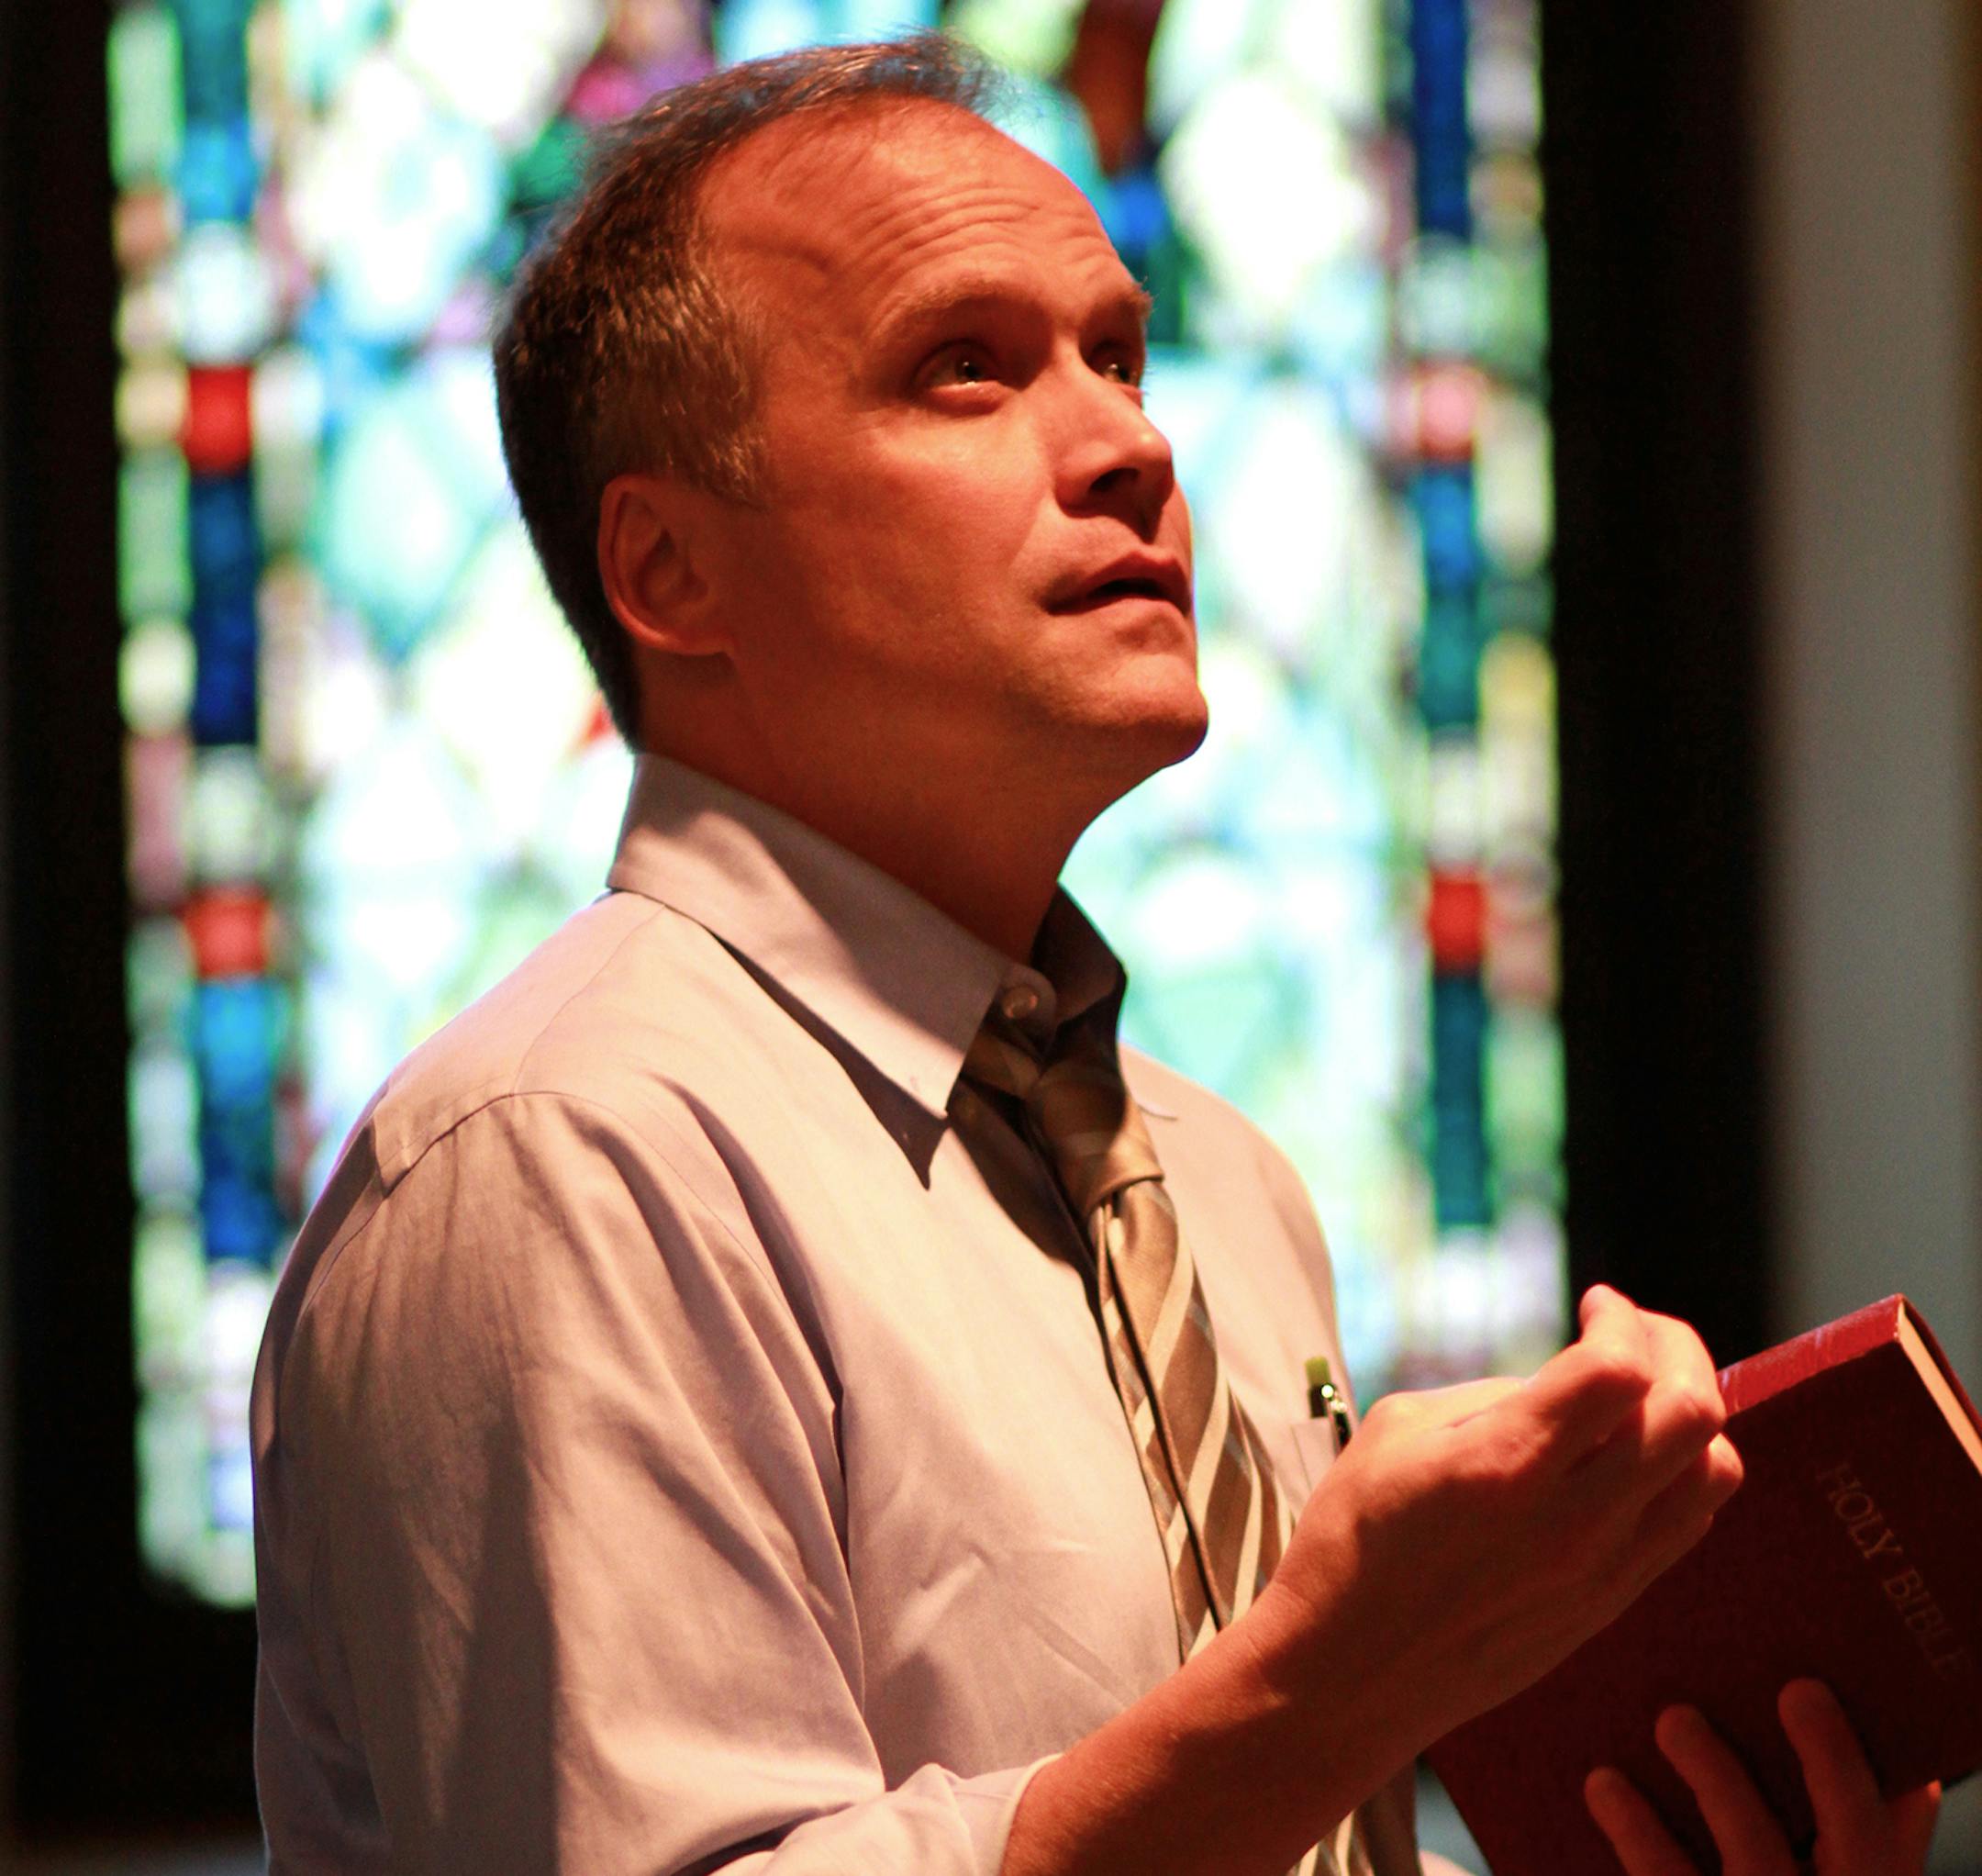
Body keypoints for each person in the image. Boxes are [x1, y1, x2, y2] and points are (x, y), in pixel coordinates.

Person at [249, 34, 1939, 1876]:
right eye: (962, 369)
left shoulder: (1216, 1178)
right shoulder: (563, 1151)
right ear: (668, 570)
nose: (1131, 443)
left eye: (1120, 354)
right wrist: (1330, 1684)